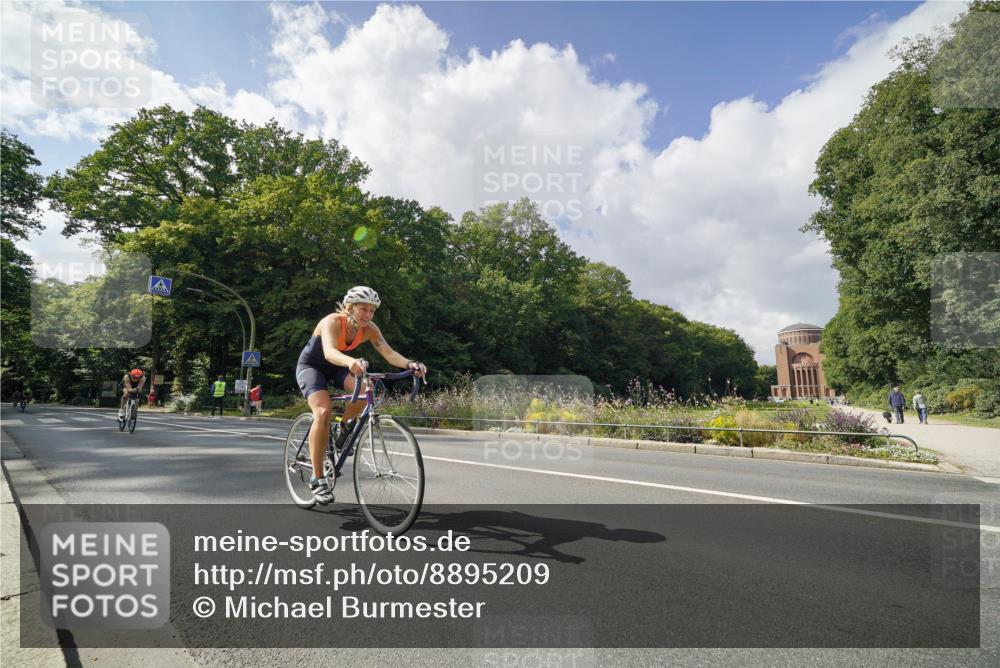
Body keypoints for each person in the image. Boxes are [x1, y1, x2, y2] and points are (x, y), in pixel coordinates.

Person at [295, 286, 427, 505]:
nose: (368, 314)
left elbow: (388, 352)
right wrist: (351, 361)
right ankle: (317, 479)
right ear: (349, 308)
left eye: (372, 310)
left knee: (367, 391)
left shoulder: (370, 329)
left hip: (337, 367)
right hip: (312, 366)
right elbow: (328, 352)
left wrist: (410, 363)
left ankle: (342, 426)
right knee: (323, 410)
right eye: (363, 309)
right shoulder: (332, 321)